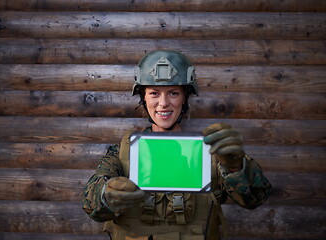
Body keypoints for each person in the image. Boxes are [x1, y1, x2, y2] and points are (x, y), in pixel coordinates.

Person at [82, 50, 272, 240]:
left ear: (184, 98)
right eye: (154, 93)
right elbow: (91, 203)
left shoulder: (211, 152)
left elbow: (255, 199)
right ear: (144, 97)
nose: (163, 103)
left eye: (173, 93)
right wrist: (106, 195)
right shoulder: (124, 151)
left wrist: (235, 167)